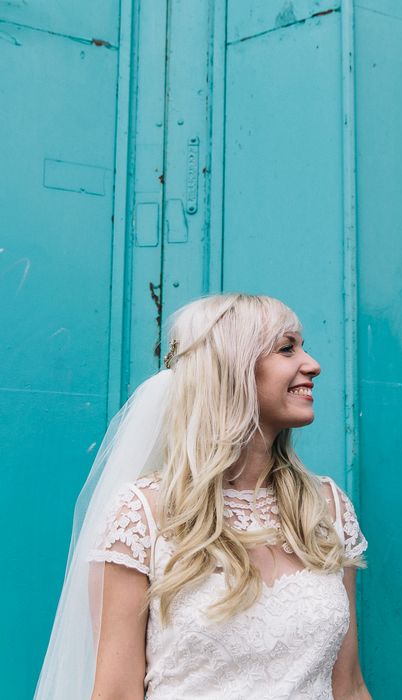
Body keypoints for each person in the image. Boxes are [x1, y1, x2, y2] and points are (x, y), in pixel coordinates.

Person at [36, 293, 371, 700]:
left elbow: (349, 687)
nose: (312, 364)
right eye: (287, 348)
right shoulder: (143, 514)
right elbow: (116, 693)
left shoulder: (327, 508)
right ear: (231, 367)